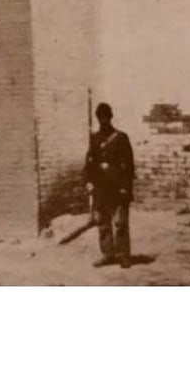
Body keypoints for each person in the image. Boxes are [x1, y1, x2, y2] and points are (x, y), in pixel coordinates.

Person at [84, 101, 135, 268]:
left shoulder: (121, 138)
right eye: (100, 118)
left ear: (111, 117)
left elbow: (128, 165)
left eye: (106, 117)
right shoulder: (95, 139)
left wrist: (125, 187)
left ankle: (123, 255)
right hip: (101, 188)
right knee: (102, 223)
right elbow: (89, 163)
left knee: (120, 222)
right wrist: (88, 181)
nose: (103, 120)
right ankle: (107, 254)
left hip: (117, 187)